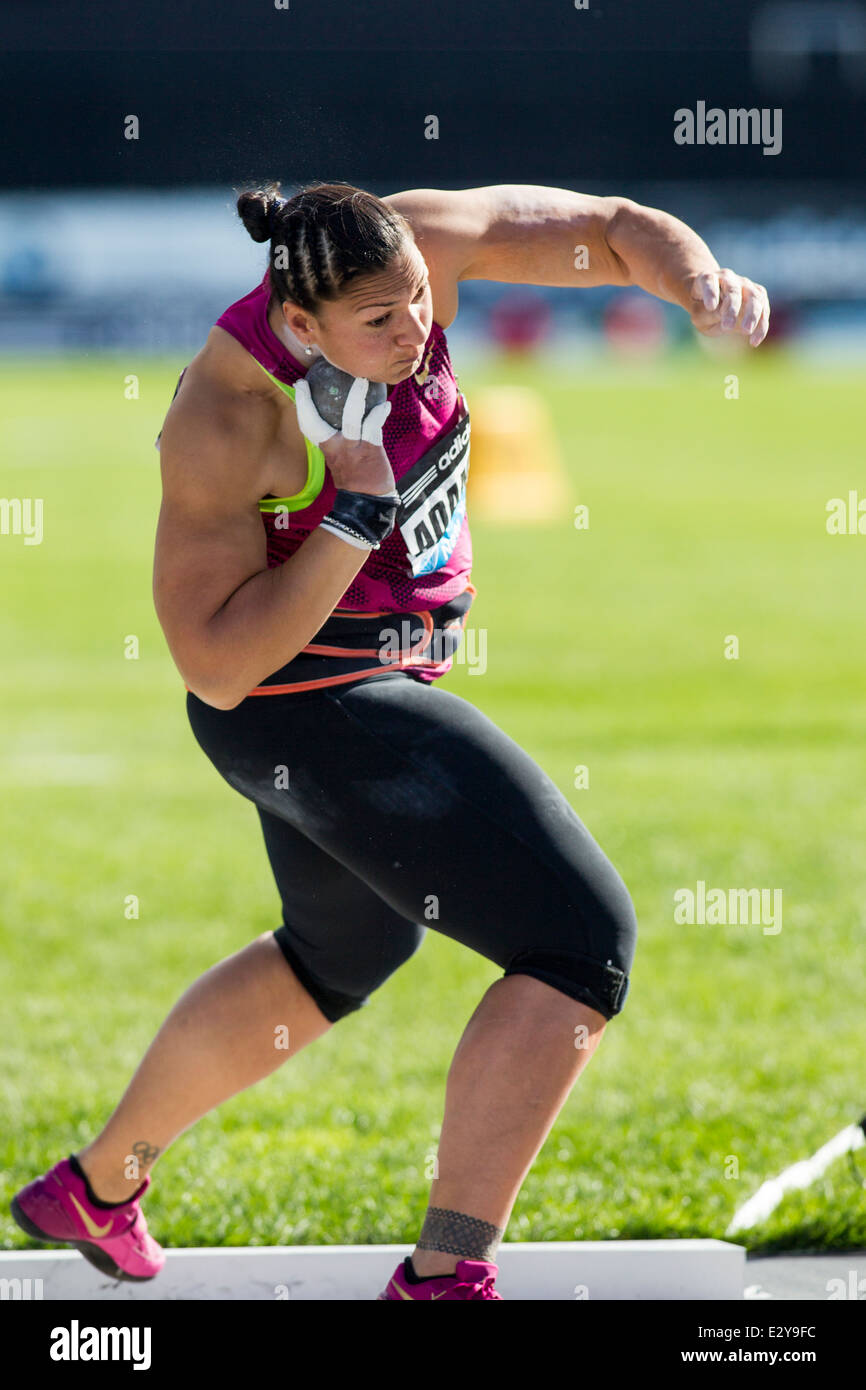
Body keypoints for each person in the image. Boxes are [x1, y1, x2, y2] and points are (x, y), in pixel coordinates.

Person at [11, 180, 769, 1301]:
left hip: (372, 678)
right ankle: (445, 1274)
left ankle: (97, 1185)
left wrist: (694, 281)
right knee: (578, 942)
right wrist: (350, 517)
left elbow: (609, 229)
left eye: (418, 300)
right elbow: (214, 665)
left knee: (342, 953)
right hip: (298, 705)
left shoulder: (421, 246)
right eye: (381, 322)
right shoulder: (228, 414)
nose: (415, 334)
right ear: (301, 324)